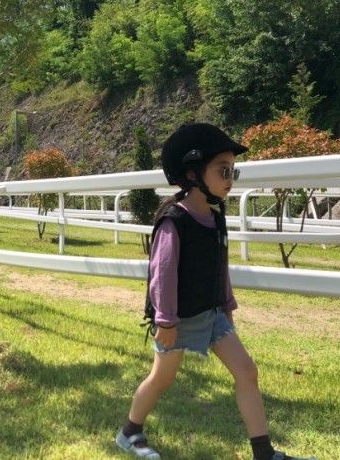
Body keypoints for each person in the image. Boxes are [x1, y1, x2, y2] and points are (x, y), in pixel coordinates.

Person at [115, 123, 316, 460]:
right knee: (161, 378)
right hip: (176, 321)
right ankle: (129, 431)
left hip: (212, 315)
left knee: (247, 371)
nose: (230, 178)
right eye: (223, 170)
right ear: (193, 173)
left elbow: (220, 265)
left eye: (232, 171)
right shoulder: (173, 220)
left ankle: (264, 452)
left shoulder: (216, 218)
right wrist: (165, 321)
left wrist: (227, 304)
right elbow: (161, 275)